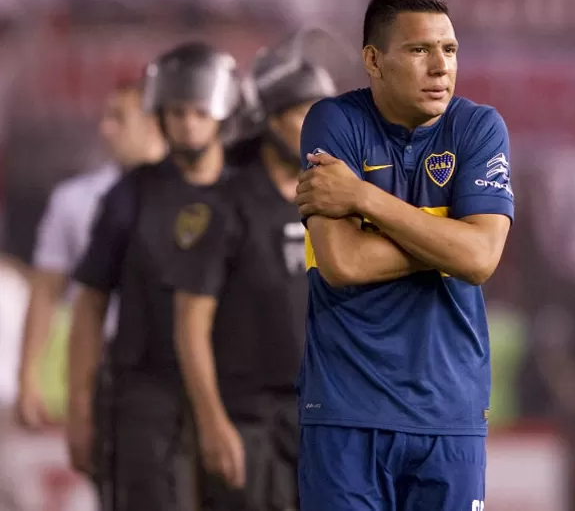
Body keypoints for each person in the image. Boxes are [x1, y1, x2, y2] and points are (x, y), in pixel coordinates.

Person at [294, 0, 514, 511]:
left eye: (450, 50)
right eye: (419, 50)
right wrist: (449, 237)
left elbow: (481, 261)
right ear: (374, 60)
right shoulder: (333, 123)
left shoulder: (479, 127)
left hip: (451, 416)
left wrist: (364, 198)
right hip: (347, 413)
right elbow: (343, 262)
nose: (441, 67)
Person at [66, 42, 243, 511]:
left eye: (200, 112)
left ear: (223, 115)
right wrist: (80, 407)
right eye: (176, 112)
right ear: (159, 116)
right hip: (146, 397)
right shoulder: (131, 195)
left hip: (238, 398)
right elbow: (90, 305)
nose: (187, 125)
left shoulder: (251, 193)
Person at [167, 29, 336, 511]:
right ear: (267, 120)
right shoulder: (223, 208)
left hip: (319, 421)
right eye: (305, 114)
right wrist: (212, 423)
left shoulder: (334, 205)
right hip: (247, 422)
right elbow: (190, 327)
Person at [16, 80, 165, 430]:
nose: (105, 129)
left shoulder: (202, 195)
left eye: (119, 117)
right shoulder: (76, 199)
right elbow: (46, 291)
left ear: (154, 122)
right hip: (101, 367)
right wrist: (28, 377)